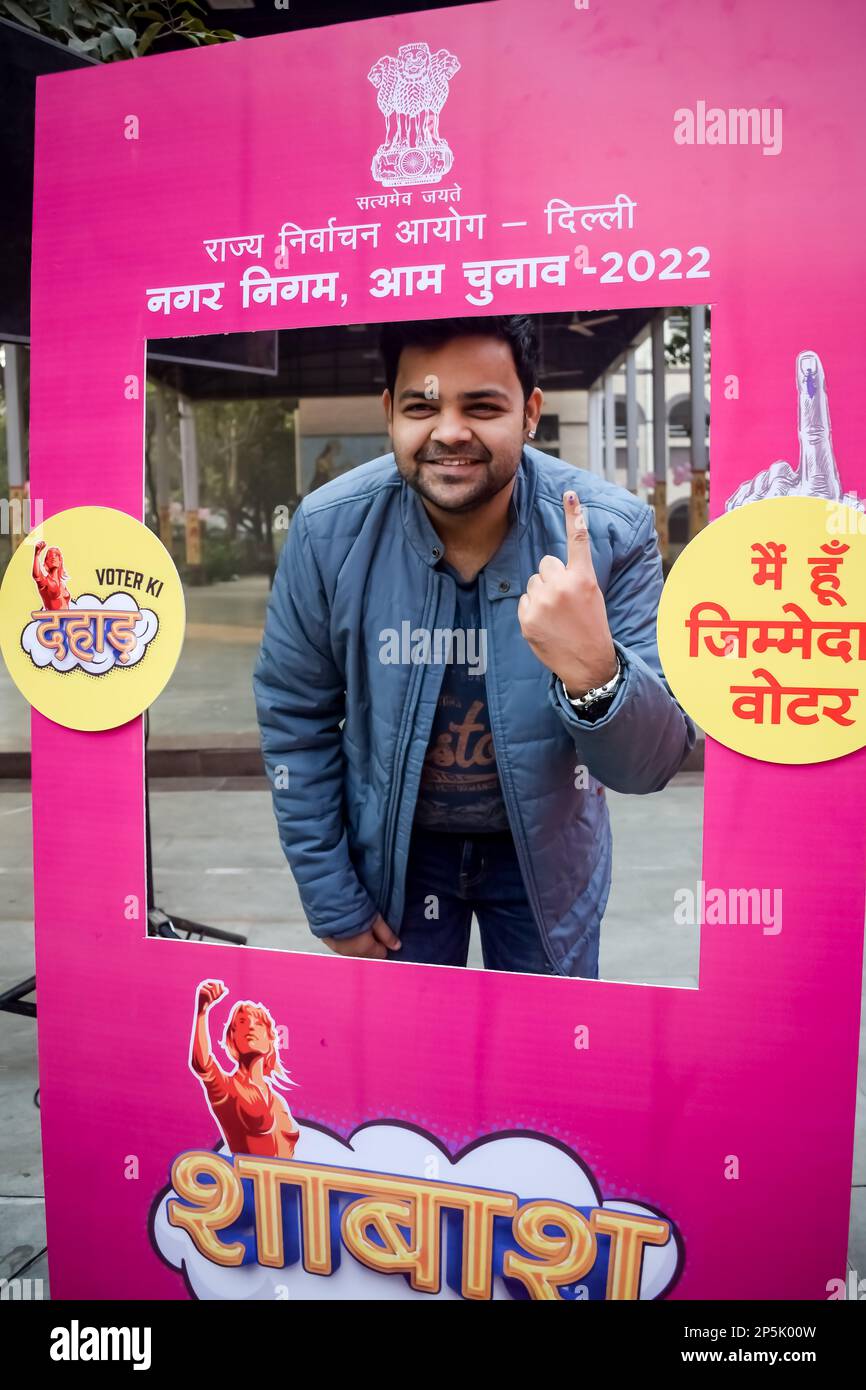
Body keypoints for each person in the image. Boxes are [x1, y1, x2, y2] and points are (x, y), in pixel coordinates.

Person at [253, 316, 696, 978]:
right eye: (422, 406)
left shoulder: (611, 534)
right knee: (406, 1070)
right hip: (398, 861)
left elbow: (649, 766)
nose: (450, 430)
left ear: (530, 412)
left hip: (546, 859)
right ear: (390, 414)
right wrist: (332, 898)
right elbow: (295, 719)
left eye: (483, 406)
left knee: (546, 1065)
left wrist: (595, 669)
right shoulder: (328, 533)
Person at [190, 980, 299, 1158]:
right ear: (232, 1038)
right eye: (241, 1022)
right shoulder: (228, 1089)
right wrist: (203, 1011)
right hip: (247, 1184)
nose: (250, 1026)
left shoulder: (278, 1101)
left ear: (270, 1039)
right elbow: (202, 1063)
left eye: (259, 1023)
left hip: (288, 1184)